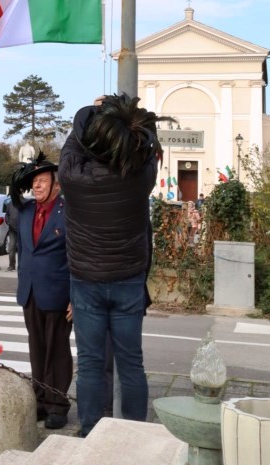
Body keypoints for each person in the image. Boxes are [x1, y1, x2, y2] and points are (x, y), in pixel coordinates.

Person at [58, 94, 161, 437]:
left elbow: (75, 133)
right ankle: (133, 432)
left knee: (89, 363)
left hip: (86, 280)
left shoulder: (72, 176)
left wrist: (96, 110)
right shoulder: (140, 177)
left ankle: (90, 429)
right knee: (131, 362)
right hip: (128, 279)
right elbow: (150, 142)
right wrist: (123, 116)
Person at [11, 155, 72, 428]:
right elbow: (24, 250)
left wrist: (75, 296)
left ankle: (58, 404)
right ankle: (40, 400)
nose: (37, 186)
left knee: (57, 351)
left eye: (42, 181)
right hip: (30, 292)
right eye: (34, 181)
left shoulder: (67, 211)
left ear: (56, 185)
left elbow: (75, 256)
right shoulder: (25, 211)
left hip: (59, 293)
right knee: (36, 348)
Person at [4, 196, 18, 272]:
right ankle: (11, 265)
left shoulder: (24, 203)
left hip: (22, 229)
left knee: (22, 248)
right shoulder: (10, 204)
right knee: (11, 247)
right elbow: (7, 214)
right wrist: (8, 222)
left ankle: (23, 266)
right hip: (12, 229)